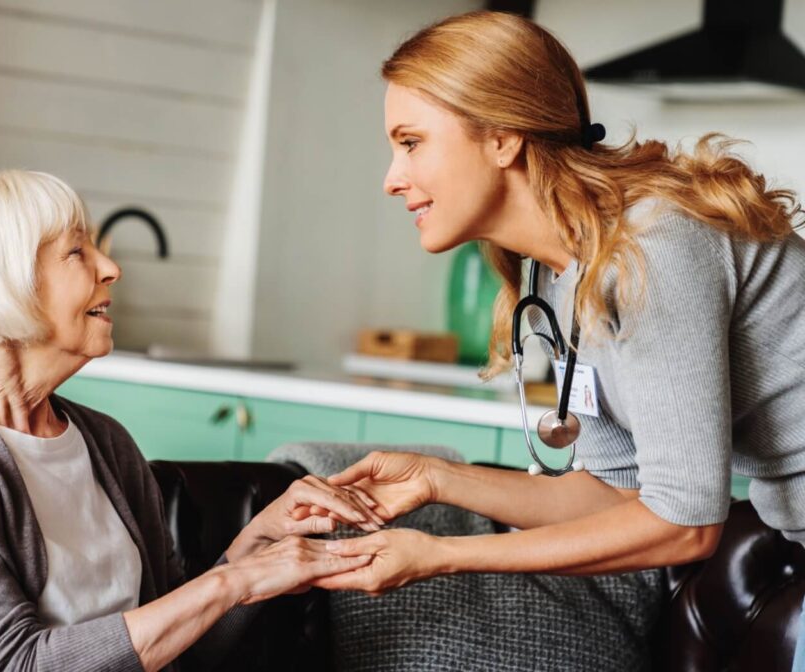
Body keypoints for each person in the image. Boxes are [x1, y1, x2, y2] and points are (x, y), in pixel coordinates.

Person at [300, 10, 805, 665]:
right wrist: (435, 478)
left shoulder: (653, 246)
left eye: (412, 142)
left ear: (502, 138)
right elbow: (615, 495)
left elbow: (685, 526)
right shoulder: (556, 280)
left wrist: (443, 555)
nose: (391, 178)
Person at [0, 170, 381, 672]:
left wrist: (256, 545)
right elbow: (9, 663)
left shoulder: (106, 442)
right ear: (5, 281)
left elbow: (177, 650)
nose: (111, 268)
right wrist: (234, 581)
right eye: (77, 251)